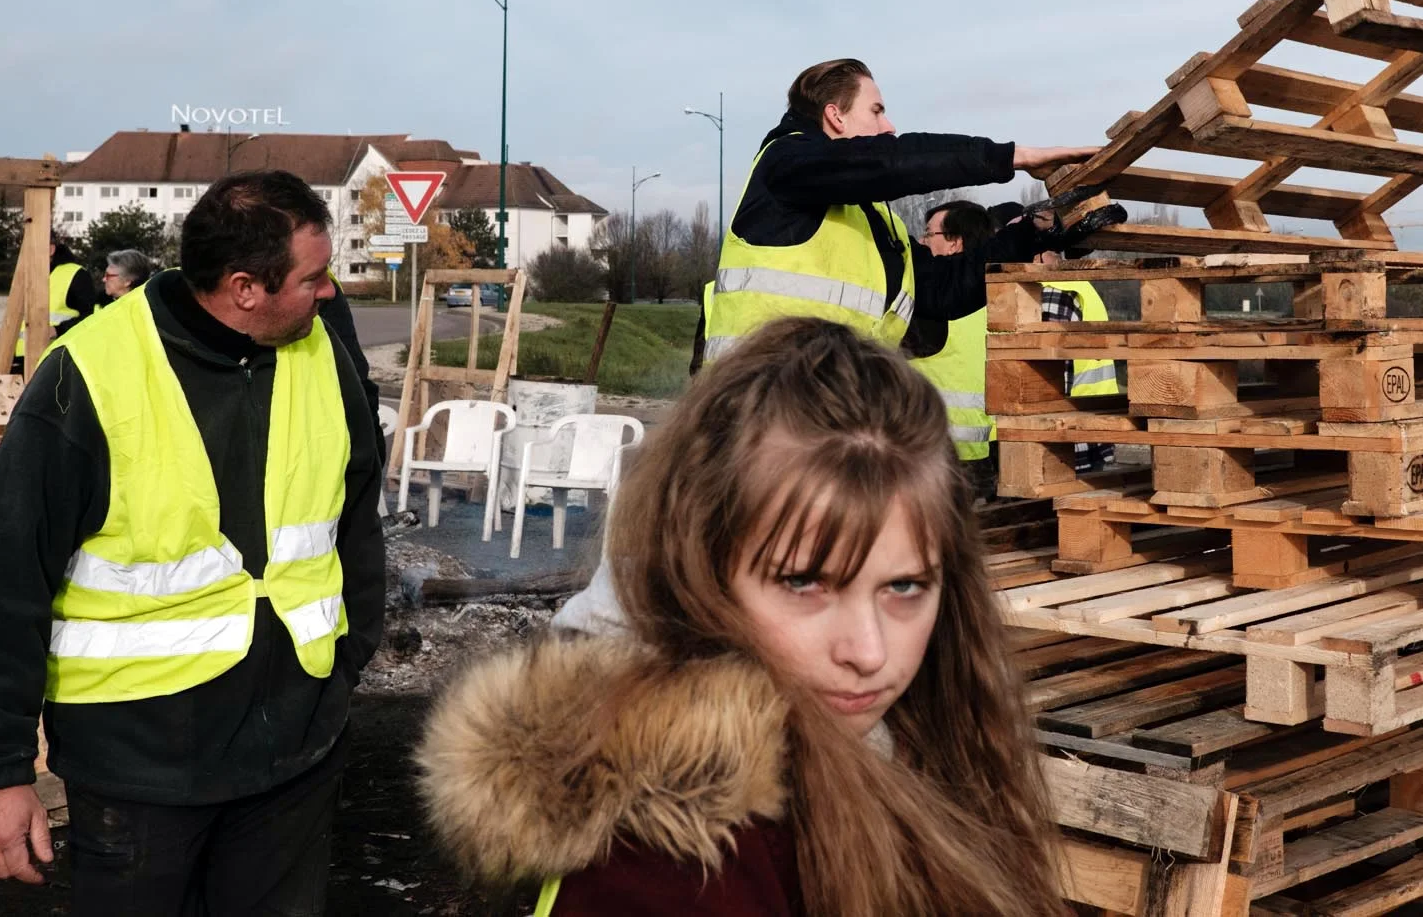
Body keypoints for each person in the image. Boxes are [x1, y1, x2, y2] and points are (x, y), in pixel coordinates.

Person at [418, 317, 1063, 916]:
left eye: (905, 586)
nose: (868, 651)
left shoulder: (922, 740)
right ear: (696, 567)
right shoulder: (674, 866)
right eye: (804, 582)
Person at [0, 170, 387, 915]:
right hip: (140, 773)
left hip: (294, 758)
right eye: (315, 275)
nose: (330, 290)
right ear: (245, 287)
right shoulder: (91, 374)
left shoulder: (323, 353)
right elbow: (1, 580)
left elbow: (358, 514)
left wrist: (349, 656)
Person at [701, 57, 1096, 362]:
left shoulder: (868, 218)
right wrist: (1013, 157)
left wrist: (1030, 232)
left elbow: (942, 290)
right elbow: (889, 160)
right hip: (760, 409)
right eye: (876, 110)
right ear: (835, 115)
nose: (888, 125)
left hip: (830, 414)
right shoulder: (786, 163)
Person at [907, 199, 999, 499]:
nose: (922, 242)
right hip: (989, 454)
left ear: (953, 243)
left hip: (935, 459)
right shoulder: (999, 298)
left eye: (928, 234)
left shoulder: (931, 305)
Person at [1039, 249, 1125, 473]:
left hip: (1069, 436)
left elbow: (1052, 371)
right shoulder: (1081, 286)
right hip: (1096, 428)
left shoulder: (1053, 292)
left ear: (1043, 254)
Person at [12, 230, 97, 365]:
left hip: (56, 359)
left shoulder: (76, 275)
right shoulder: (29, 274)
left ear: (51, 249)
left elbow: (89, 318)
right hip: (22, 358)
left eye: (30, 249)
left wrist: (58, 330)